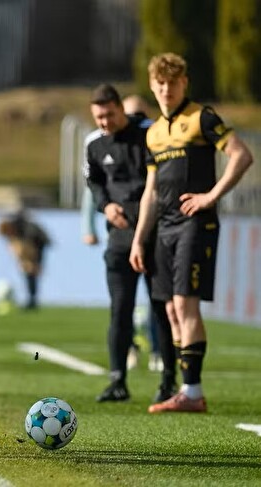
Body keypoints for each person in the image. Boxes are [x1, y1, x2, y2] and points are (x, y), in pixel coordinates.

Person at [130, 52, 253, 413]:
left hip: (195, 225)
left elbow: (241, 155)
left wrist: (210, 197)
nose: (166, 89)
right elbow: (151, 191)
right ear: (152, 86)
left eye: (173, 82)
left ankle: (193, 392)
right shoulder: (153, 133)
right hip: (164, 228)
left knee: (185, 304)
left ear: (184, 83)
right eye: (160, 84)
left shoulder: (202, 117)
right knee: (170, 309)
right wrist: (139, 239)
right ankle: (186, 391)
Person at [85, 84, 176, 404]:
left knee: (161, 307)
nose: (104, 122)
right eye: (99, 117)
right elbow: (94, 182)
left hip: (155, 234)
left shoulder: (149, 135)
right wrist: (106, 206)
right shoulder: (95, 145)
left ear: (121, 109)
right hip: (120, 238)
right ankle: (117, 381)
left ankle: (168, 381)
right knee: (120, 309)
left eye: (109, 115)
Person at [0, 210, 50, 310]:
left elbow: (30, 247)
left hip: (38, 242)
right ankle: (31, 299)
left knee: (31, 271)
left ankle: (32, 300)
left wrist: (30, 262)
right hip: (31, 243)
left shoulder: (28, 231)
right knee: (28, 271)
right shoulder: (14, 229)